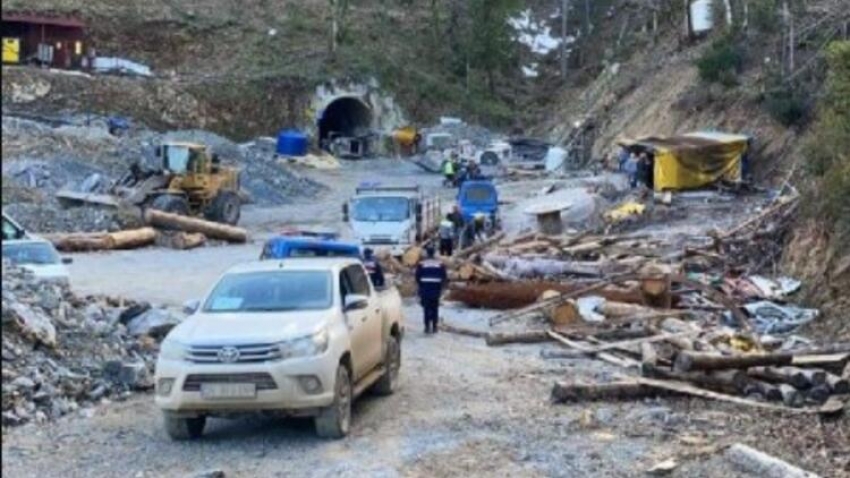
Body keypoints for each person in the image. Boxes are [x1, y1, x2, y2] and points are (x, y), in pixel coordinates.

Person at [415, 245, 448, 334]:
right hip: (436, 288)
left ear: (426, 253)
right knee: (435, 307)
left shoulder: (421, 264)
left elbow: (417, 277)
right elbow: (444, 277)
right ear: (434, 253)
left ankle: (426, 327)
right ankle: (434, 326)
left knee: (426, 308)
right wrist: (442, 287)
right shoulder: (440, 264)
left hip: (425, 288)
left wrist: (420, 287)